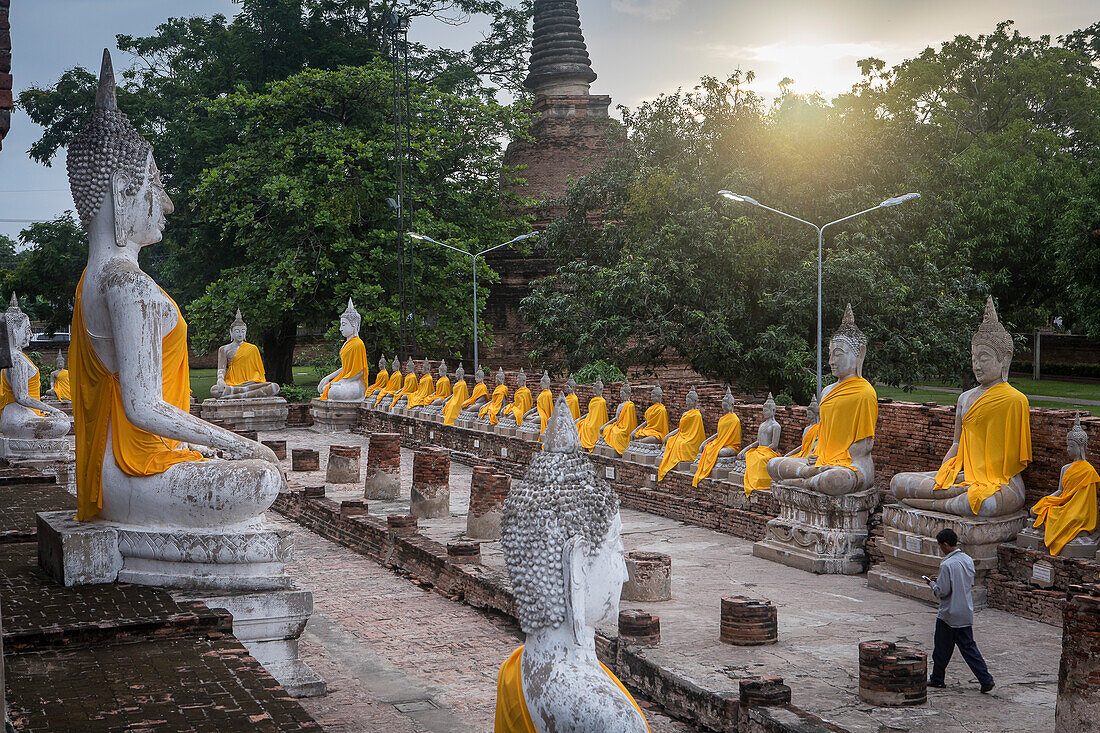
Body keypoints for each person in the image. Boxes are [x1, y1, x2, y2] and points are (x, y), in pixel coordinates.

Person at [924, 528, 995, 692]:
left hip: (949, 614)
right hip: (965, 611)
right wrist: (940, 579)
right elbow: (966, 582)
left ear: (946, 544)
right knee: (969, 648)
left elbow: (942, 592)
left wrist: (932, 583)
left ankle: (937, 678)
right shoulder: (967, 559)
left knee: (941, 649)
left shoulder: (947, 564)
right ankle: (985, 679)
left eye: (941, 546)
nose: (941, 549)